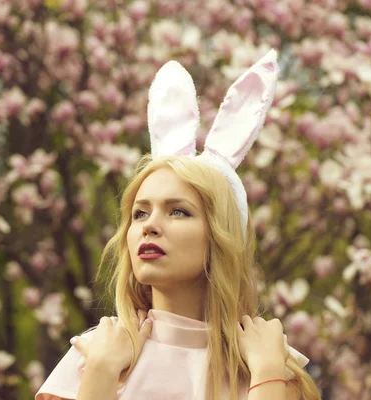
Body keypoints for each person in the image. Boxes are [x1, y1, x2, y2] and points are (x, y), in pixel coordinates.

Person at [36, 49, 321, 400]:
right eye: (140, 213)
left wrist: (265, 377)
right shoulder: (93, 356)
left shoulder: (270, 364)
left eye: (178, 211)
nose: (149, 226)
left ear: (220, 235)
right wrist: (100, 374)